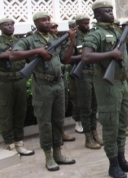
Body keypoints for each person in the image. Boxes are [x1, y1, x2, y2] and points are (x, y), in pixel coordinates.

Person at [81, 1, 128, 178]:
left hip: (122, 82)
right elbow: (86, 56)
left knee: (122, 123)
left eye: (112, 10)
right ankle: (113, 164)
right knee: (110, 125)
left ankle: (121, 159)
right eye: (107, 11)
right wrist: (110, 54)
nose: (111, 13)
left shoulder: (116, 31)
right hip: (107, 84)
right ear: (98, 15)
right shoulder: (96, 34)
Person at [11, 12, 76, 171]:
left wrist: (72, 40)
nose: (47, 22)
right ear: (36, 23)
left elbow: (65, 60)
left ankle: (58, 153)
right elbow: (13, 55)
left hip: (59, 84)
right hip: (42, 85)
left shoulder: (55, 39)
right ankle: (48, 156)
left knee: (58, 120)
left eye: (48, 20)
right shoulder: (30, 40)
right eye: (43, 20)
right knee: (45, 122)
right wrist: (37, 51)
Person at [0, 17, 34, 156]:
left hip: (19, 79)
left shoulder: (19, 41)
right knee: (6, 113)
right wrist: (5, 55)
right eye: (6, 25)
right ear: (1, 27)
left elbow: (27, 58)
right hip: (4, 81)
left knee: (20, 111)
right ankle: (9, 143)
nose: (9, 27)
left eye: (11, 24)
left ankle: (19, 142)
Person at [68, 14, 103, 150]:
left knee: (94, 107)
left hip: (94, 74)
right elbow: (67, 58)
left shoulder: (93, 35)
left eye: (88, 23)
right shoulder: (73, 38)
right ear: (77, 24)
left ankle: (95, 133)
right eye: (84, 23)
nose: (87, 25)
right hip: (82, 75)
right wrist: (82, 57)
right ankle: (88, 137)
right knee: (86, 107)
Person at [49, 21, 77, 143]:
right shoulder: (43, 41)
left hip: (60, 77)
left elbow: (65, 58)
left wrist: (71, 41)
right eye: (52, 27)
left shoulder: (58, 40)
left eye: (56, 27)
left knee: (62, 107)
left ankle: (60, 132)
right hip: (47, 80)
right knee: (49, 110)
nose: (55, 29)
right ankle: (51, 135)